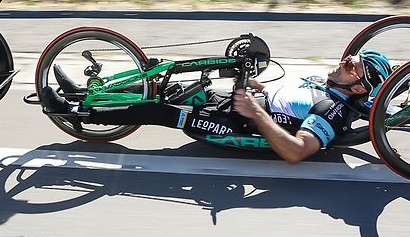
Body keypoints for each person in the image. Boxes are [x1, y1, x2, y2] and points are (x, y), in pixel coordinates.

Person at [39, 50, 392, 164]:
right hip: (242, 105)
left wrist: (256, 112)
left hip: (238, 127)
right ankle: (82, 93)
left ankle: (76, 113)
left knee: (159, 110)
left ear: (359, 87)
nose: (345, 60)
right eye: (351, 58)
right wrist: (258, 86)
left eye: (352, 66)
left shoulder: (333, 109)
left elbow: (298, 150)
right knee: (169, 81)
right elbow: (286, 99)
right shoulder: (326, 85)